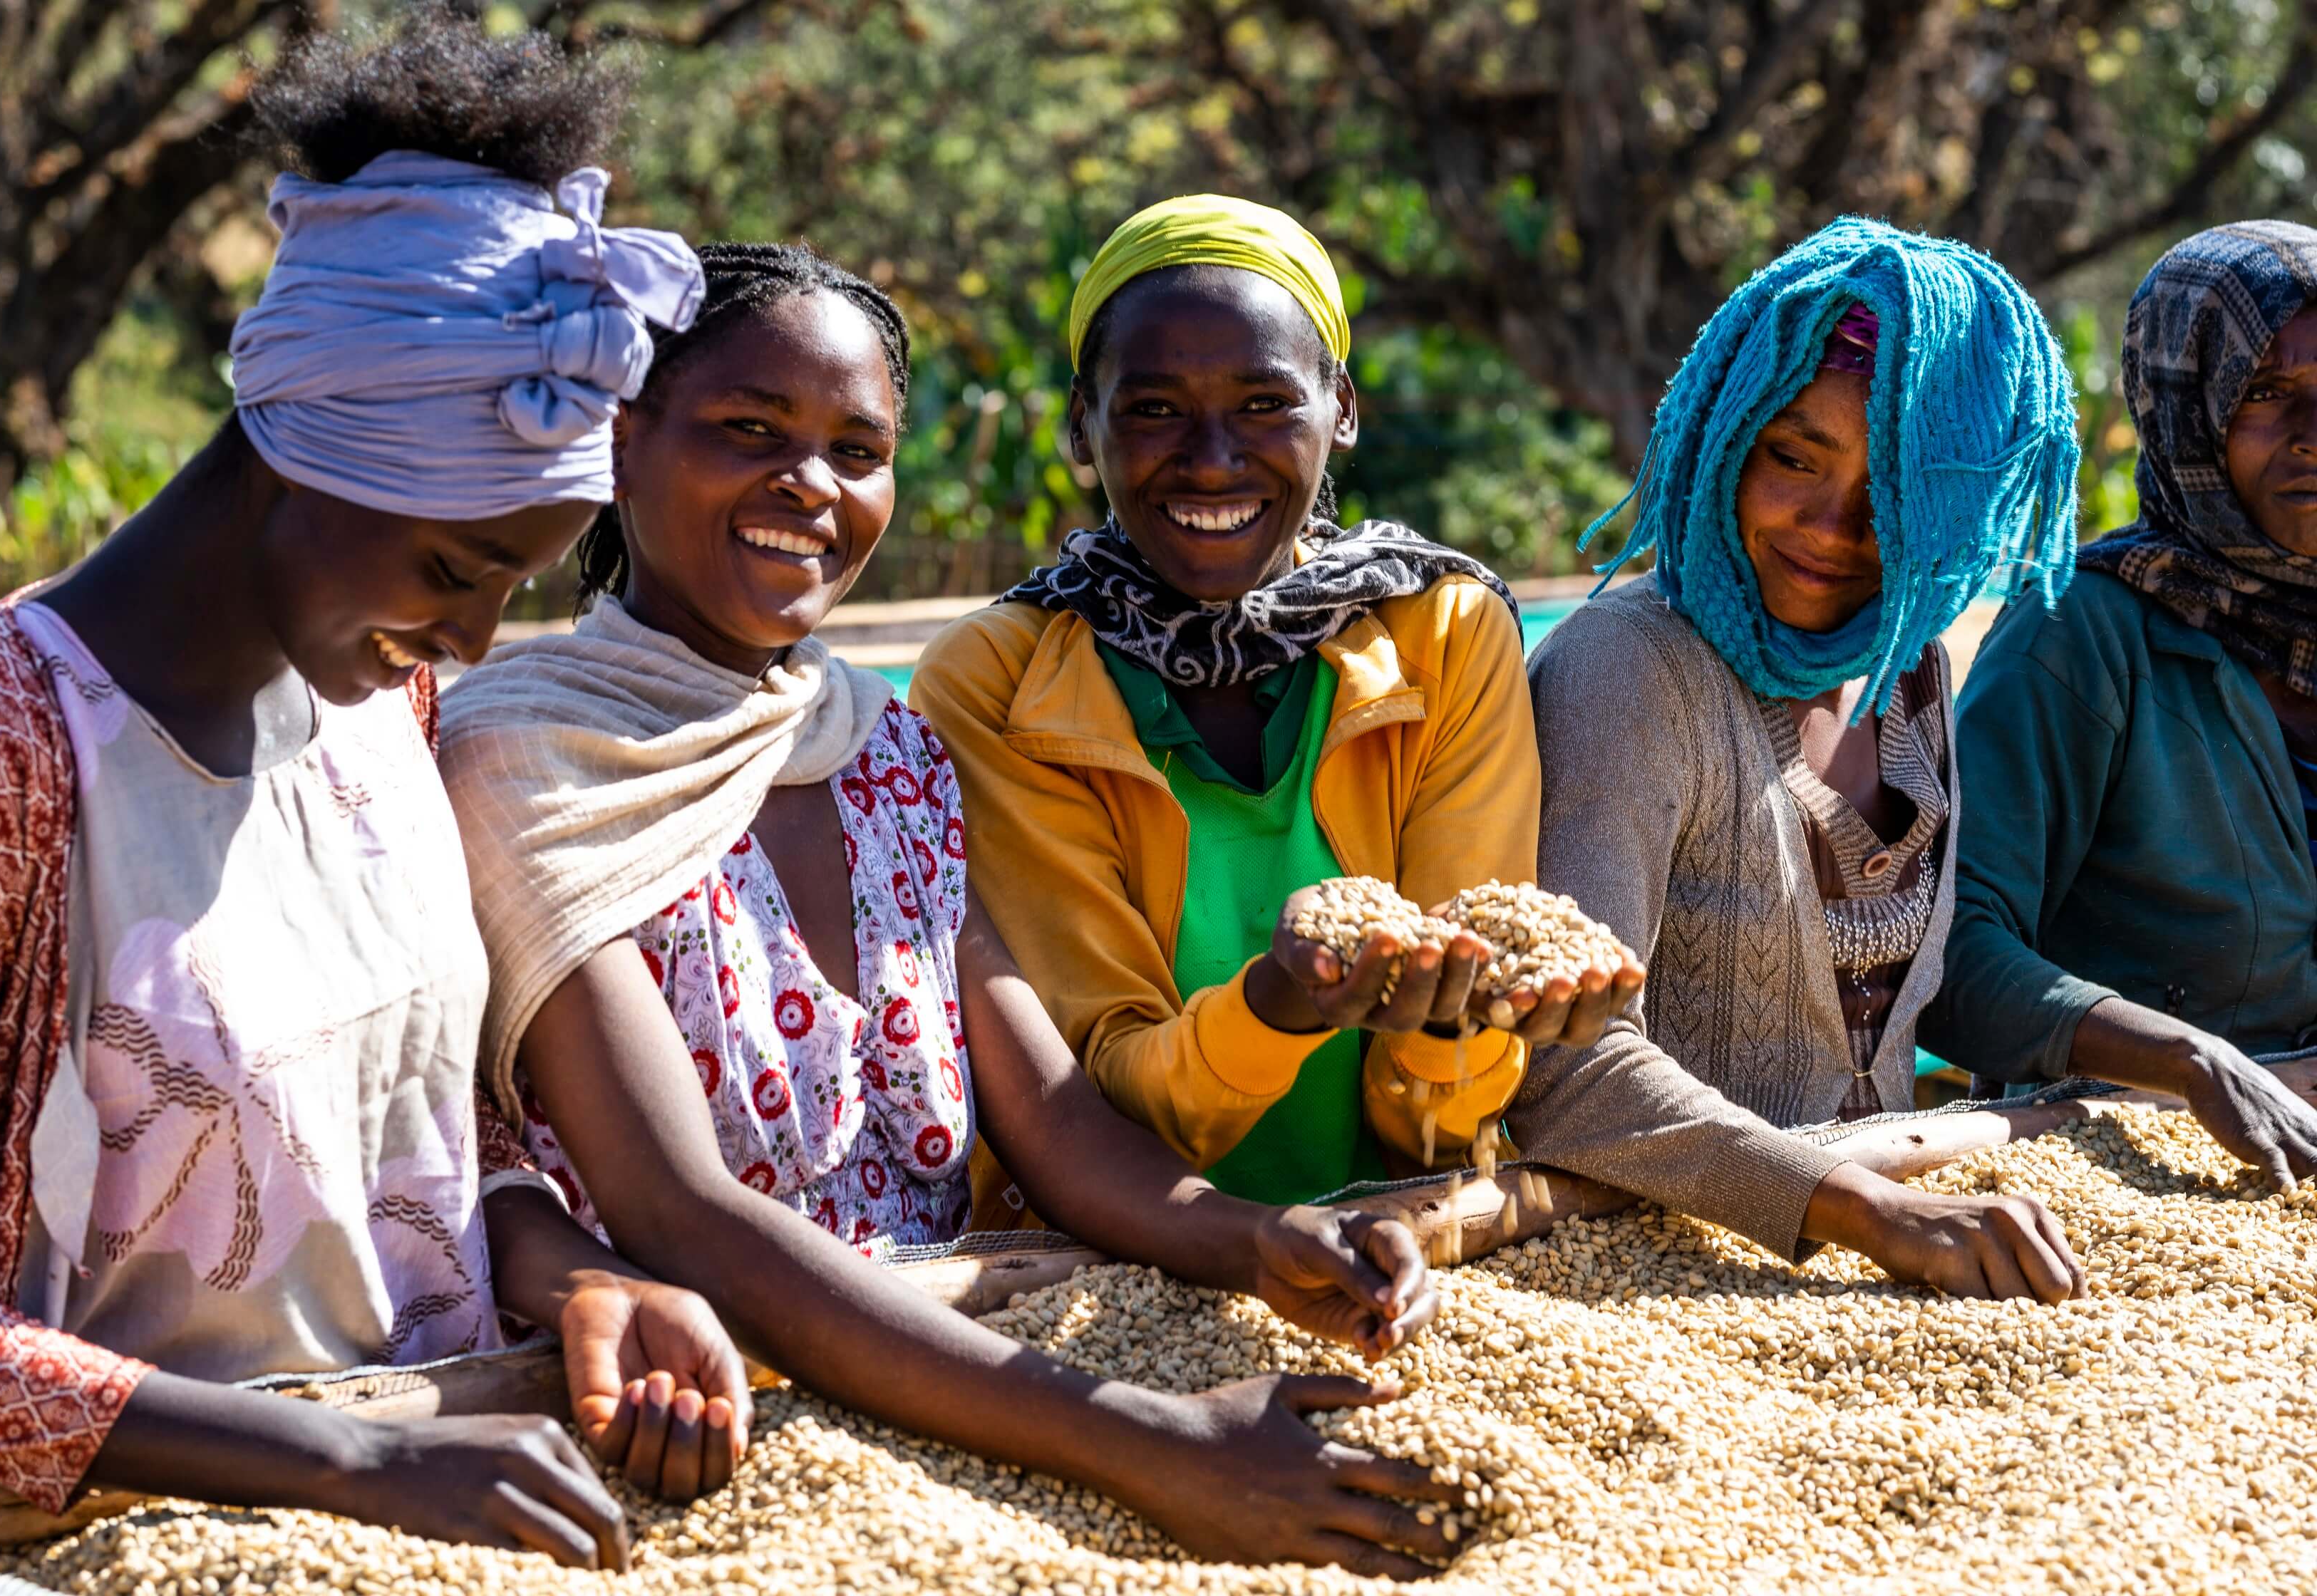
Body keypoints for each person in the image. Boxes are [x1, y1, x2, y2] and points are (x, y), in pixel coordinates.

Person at [436, 241, 1470, 1582]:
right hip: (690, 1416)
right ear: (623, 446)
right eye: (750, 431)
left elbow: (1049, 1119)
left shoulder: (887, 752)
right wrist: (1153, 1443)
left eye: (855, 450)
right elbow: (683, 1213)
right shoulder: (528, 758)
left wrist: (1260, 1237)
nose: (808, 486)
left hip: (953, 1373)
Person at [0, 14, 738, 1571]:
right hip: (129, 1539)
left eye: (521, 579)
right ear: (301, 460)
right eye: (457, 565)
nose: (479, 634)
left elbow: (391, 1139)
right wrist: (341, 1461)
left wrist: (572, 1277)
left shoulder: (381, 706)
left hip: (435, 1495)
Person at [912, 194, 1643, 1218]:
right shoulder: (998, 682)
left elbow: (1441, 1128)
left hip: (1396, 1237)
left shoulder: (1441, 633)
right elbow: (1090, 1109)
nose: (1213, 460)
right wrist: (1277, 1006)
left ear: (1341, 407)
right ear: (1083, 424)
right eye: (1154, 409)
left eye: (1265, 404)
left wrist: (1463, 1019)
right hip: (1112, 1250)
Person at [1519, 217, 2090, 1302]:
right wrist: (1876, 1214)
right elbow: (1570, 1070)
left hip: (1875, 1267)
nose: (1834, 528)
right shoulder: (1629, 673)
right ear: (1724, 433)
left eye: (1899, 496)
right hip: (1645, 1272)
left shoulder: (1908, 663)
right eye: (1792, 456)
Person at [1924, 220, 2317, 1189]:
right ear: (2186, 403)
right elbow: (1945, 957)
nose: (2313, 437)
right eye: (2266, 394)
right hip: (2117, 1159)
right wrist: (2183, 1058)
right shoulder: (2083, 633)